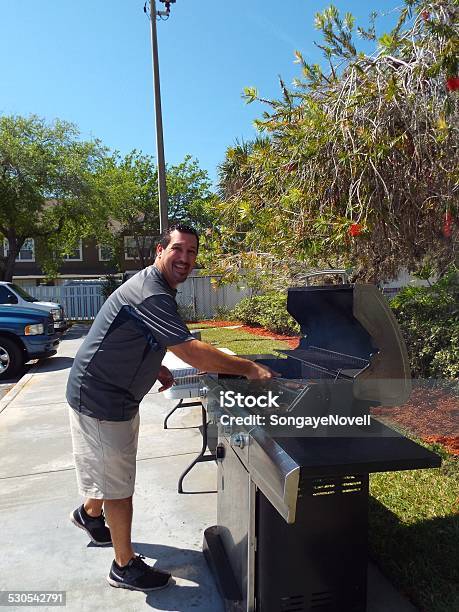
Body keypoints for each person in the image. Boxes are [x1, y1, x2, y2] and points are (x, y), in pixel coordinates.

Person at [66, 224, 275, 592]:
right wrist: (249, 367)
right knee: (119, 483)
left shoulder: (157, 287)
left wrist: (154, 365)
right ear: (159, 251)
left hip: (117, 392)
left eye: (192, 252)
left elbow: (138, 332)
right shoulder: (151, 292)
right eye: (178, 249)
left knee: (107, 466)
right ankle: (124, 566)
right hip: (100, 398)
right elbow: (191, 351)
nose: (185, 258)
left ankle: (88, 514)